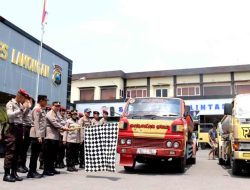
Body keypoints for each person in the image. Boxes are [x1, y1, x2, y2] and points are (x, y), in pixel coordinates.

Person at [3, 88, 30, 182]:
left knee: (17, 152)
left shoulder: (20, 105)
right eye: (24, 97)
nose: (25, 100)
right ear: (19, 95)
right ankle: (6, 174)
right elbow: (10, 115)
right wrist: (22, 109)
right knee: (10, 151)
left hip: (19, 129)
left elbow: (24, 117)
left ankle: (14, 173)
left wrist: (27, 108)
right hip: (12, 128)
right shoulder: (10, 103)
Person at [43, 101, 68, 176]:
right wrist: (64, 127)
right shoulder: (50, 114)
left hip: (56, 137)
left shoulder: (57, 114)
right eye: (56, 106)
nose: (58, 107)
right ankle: (46, 170)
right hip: (50, 136)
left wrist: (67, 125)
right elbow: (55, 123)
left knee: (53, 154)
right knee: (48, 155)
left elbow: (62, 121)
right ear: (52, 106)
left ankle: (52, 168)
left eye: (59, 106)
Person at [27, 95, 48, 178]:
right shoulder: (37, 109)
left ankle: (33, 171)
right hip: (36, 135)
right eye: (45, 100)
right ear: (41, 101)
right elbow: (36, 123)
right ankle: (31, 172)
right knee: (34, 154)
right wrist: (38, 136)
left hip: (39, 135)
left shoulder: (41, 109)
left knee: (36, 154)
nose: (46, 102)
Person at [17, 97, 35, 173]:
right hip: (24, 127)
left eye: (32, 102)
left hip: (29, 128)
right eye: (30, 102)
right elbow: (22, 115)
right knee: (21, 148)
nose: (31, 104)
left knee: (25, 148)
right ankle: (18, 165)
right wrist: (27, 107)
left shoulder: (31, 111)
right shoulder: (24, 108)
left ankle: (23, 164)